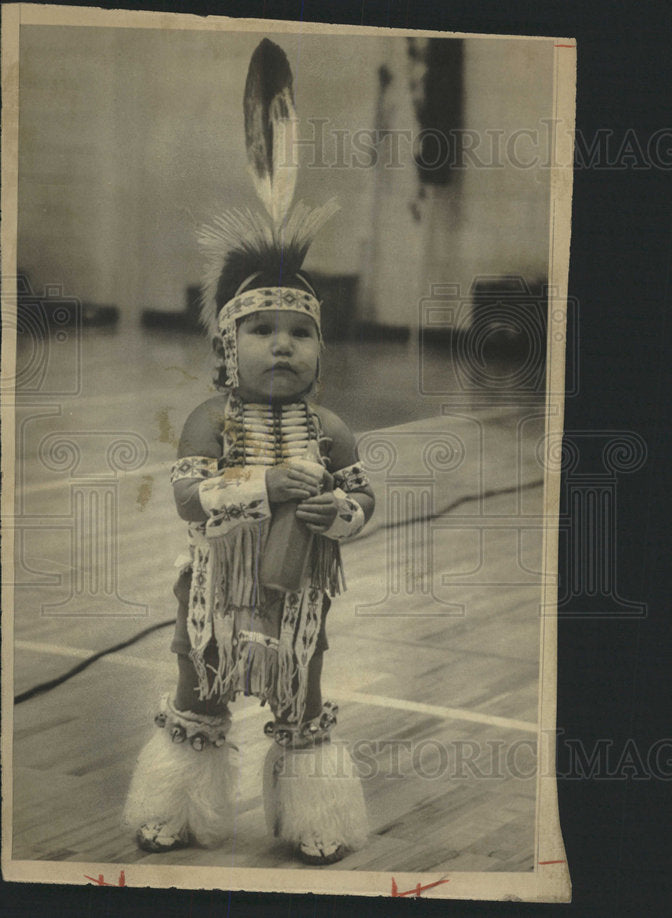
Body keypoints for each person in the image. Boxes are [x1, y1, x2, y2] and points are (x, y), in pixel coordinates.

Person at [123, 38, 372, 866]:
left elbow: (364, 500)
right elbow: (192, 498)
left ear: (321, 347)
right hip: (215, 600)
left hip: (301, 604)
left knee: (302, 702)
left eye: (300, 332)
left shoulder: (331, 429)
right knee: (200, 696)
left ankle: (316, 821)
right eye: (262, 330)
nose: (283, 346)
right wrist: (264, 483)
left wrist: (343, 511)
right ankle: (178, 814)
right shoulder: (209, 420)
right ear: (229, 346)